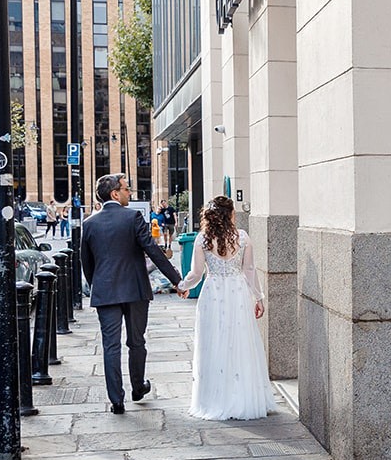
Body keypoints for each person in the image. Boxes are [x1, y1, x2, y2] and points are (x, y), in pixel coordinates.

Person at [81, 172, 184, 413]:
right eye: (127, 189)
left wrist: (99, 285)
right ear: (115, 193)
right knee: (136, 341)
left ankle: (116, 400)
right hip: (135, 290)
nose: (130, 193)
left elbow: (87, 264)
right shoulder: (133, 217)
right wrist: (177, 281)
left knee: (111, 346)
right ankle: (138, 388)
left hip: (105, 293)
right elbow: (154, 251)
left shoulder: (89, 224)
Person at [177, 195, 272, 420]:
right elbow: (249, 270)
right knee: (240, 341)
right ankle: (243, 397)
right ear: (230, 215)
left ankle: (215, 399)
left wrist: (182, 286)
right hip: (237, 292)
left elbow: (197, 274)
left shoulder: (203, 239)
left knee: (214, 342)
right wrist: (258, 297)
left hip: (213, 293)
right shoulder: (243, 238)